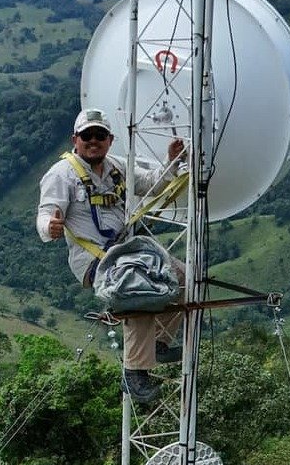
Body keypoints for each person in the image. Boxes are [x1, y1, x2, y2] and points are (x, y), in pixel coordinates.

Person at [37, 108, 185, 404]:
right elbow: (45, 212)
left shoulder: (116, 167)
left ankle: (157, 343)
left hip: (128, 253)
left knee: (182, 277)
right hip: (96, 261)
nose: (94, 141)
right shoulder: (62, 175)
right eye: (87, 136)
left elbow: (152, 182)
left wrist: (172, 161)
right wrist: (49, 227)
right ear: (75, 139)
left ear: (110, 139)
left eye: (100, 135)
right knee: (139, 286)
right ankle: (134, 371)